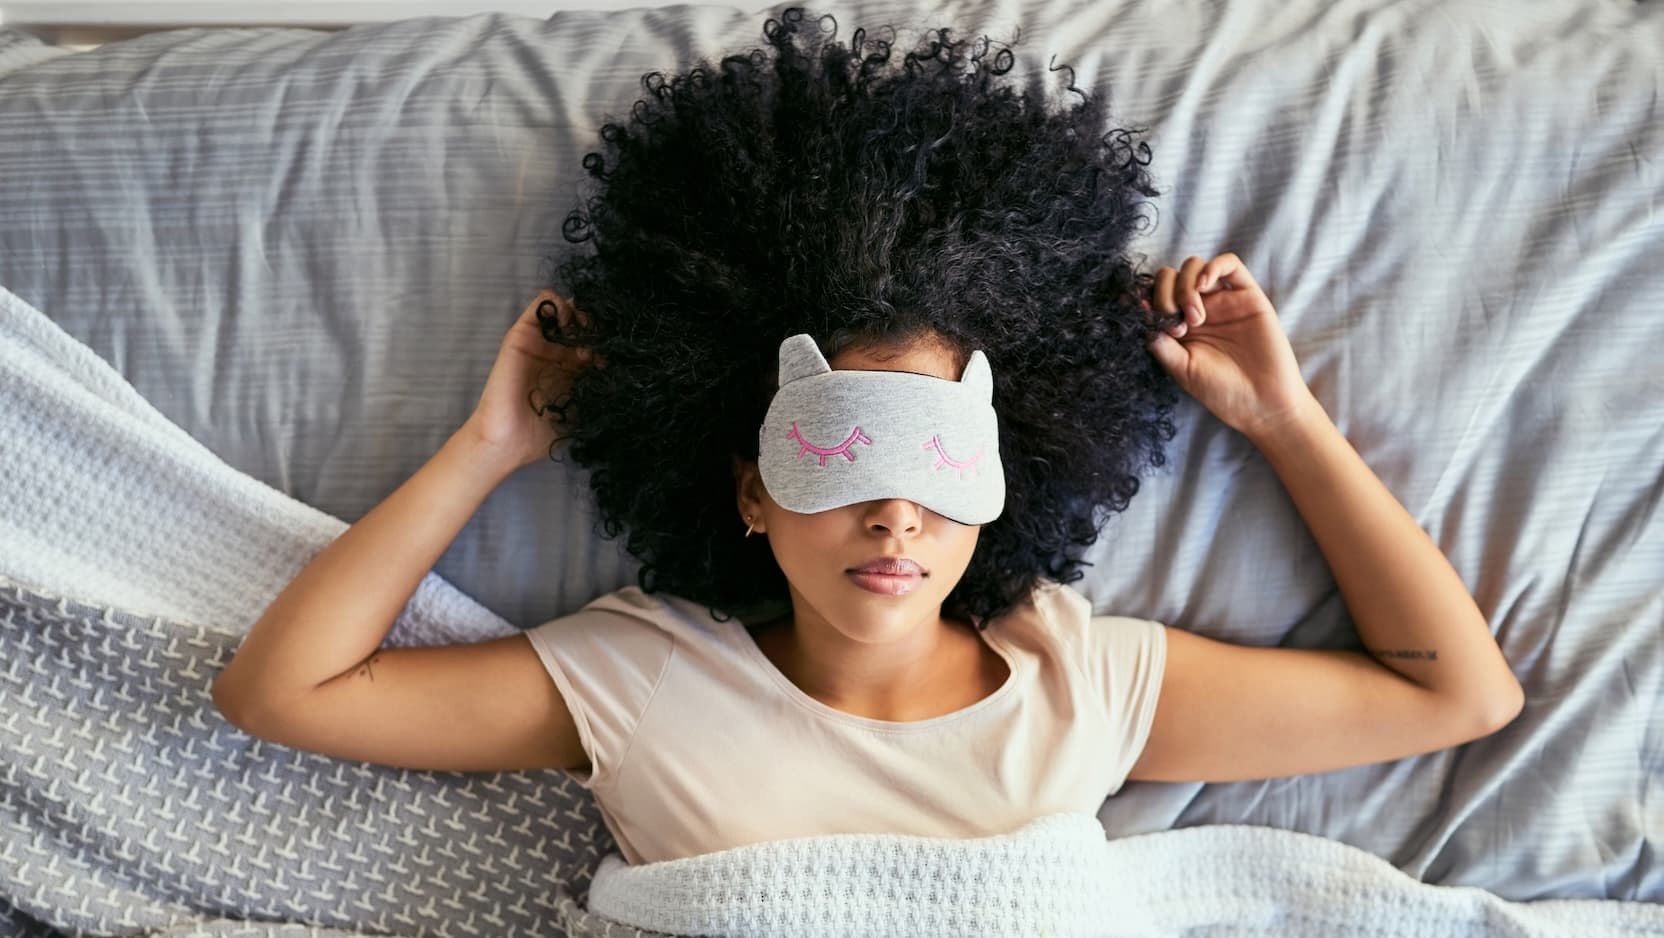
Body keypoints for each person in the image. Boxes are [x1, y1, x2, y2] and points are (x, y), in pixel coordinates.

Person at [209, 7, 1523, 867]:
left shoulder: (1088, 683)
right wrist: (492, 443)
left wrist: (1283, 423)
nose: (896, 517)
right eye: (843, 454)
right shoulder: (636, 677)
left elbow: (1457, 693)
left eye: (938, 468)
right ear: (750, 491)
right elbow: (280, 692)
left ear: (1005, 485)